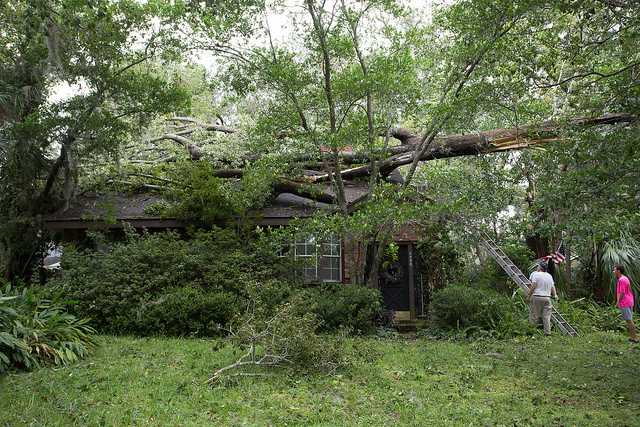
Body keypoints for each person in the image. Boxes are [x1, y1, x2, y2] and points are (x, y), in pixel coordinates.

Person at [527, 262, 559, 335]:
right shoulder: (549, 276)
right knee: (547, 316)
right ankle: (547, 333)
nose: (537, 267)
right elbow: (552, 287)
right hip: (547, 298)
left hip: (537, 296)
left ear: (540, 268)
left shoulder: (536, 275)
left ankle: (531, 332)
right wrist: (555, 294)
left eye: (538, 266)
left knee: (534, 315)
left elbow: (533, 286)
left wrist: (529, 296)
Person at [614, 265, 638, 343]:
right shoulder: (625, 278)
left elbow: (622, 292)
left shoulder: (622, 280)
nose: (614, 272)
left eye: (615, 270)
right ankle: (632, 337)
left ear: (618, 271)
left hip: (625, 302)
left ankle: (635, 338)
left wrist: (618, 302)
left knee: (629, 320)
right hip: (629, 301)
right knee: (629, 320)